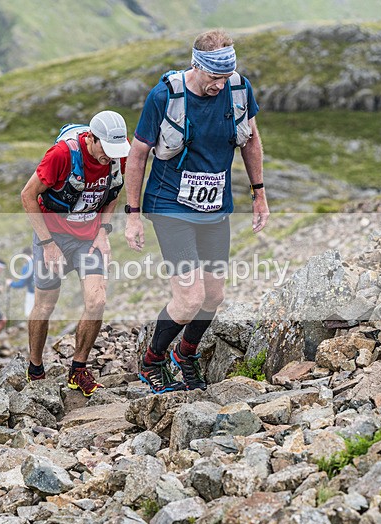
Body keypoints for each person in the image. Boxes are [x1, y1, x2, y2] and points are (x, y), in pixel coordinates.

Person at [124, 30, 269, 394]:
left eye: (224, 77)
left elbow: (251, 141)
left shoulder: (238, 89)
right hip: (170, 204)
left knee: (214, 296)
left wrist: (259, 193)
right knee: (189, 297)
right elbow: (138, 154)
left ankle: (184, 355)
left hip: (215, 207)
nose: (219, 85)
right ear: (196, 65)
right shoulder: (163, 96)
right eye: (213, 77)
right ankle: (152, 362)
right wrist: (132, 214)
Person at [21, 110, 130, 397]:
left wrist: (104, 230)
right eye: (105, 151)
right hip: (52, 234)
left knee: (97, 301)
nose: (110, 158)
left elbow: (114, 192)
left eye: (115, 152)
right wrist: (47, 244)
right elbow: (27, 195)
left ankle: (78, 369)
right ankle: (35, 367)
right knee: (45, 305)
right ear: (91, 138)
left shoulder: (118, 154)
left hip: (88, 239)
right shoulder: (61, 155)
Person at [8, 247, 35, 318]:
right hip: (46, 292)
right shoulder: (40, 262)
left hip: (33, 293)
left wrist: (11, 283)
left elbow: (22, 284)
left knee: (30, 314)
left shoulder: (27, 267)